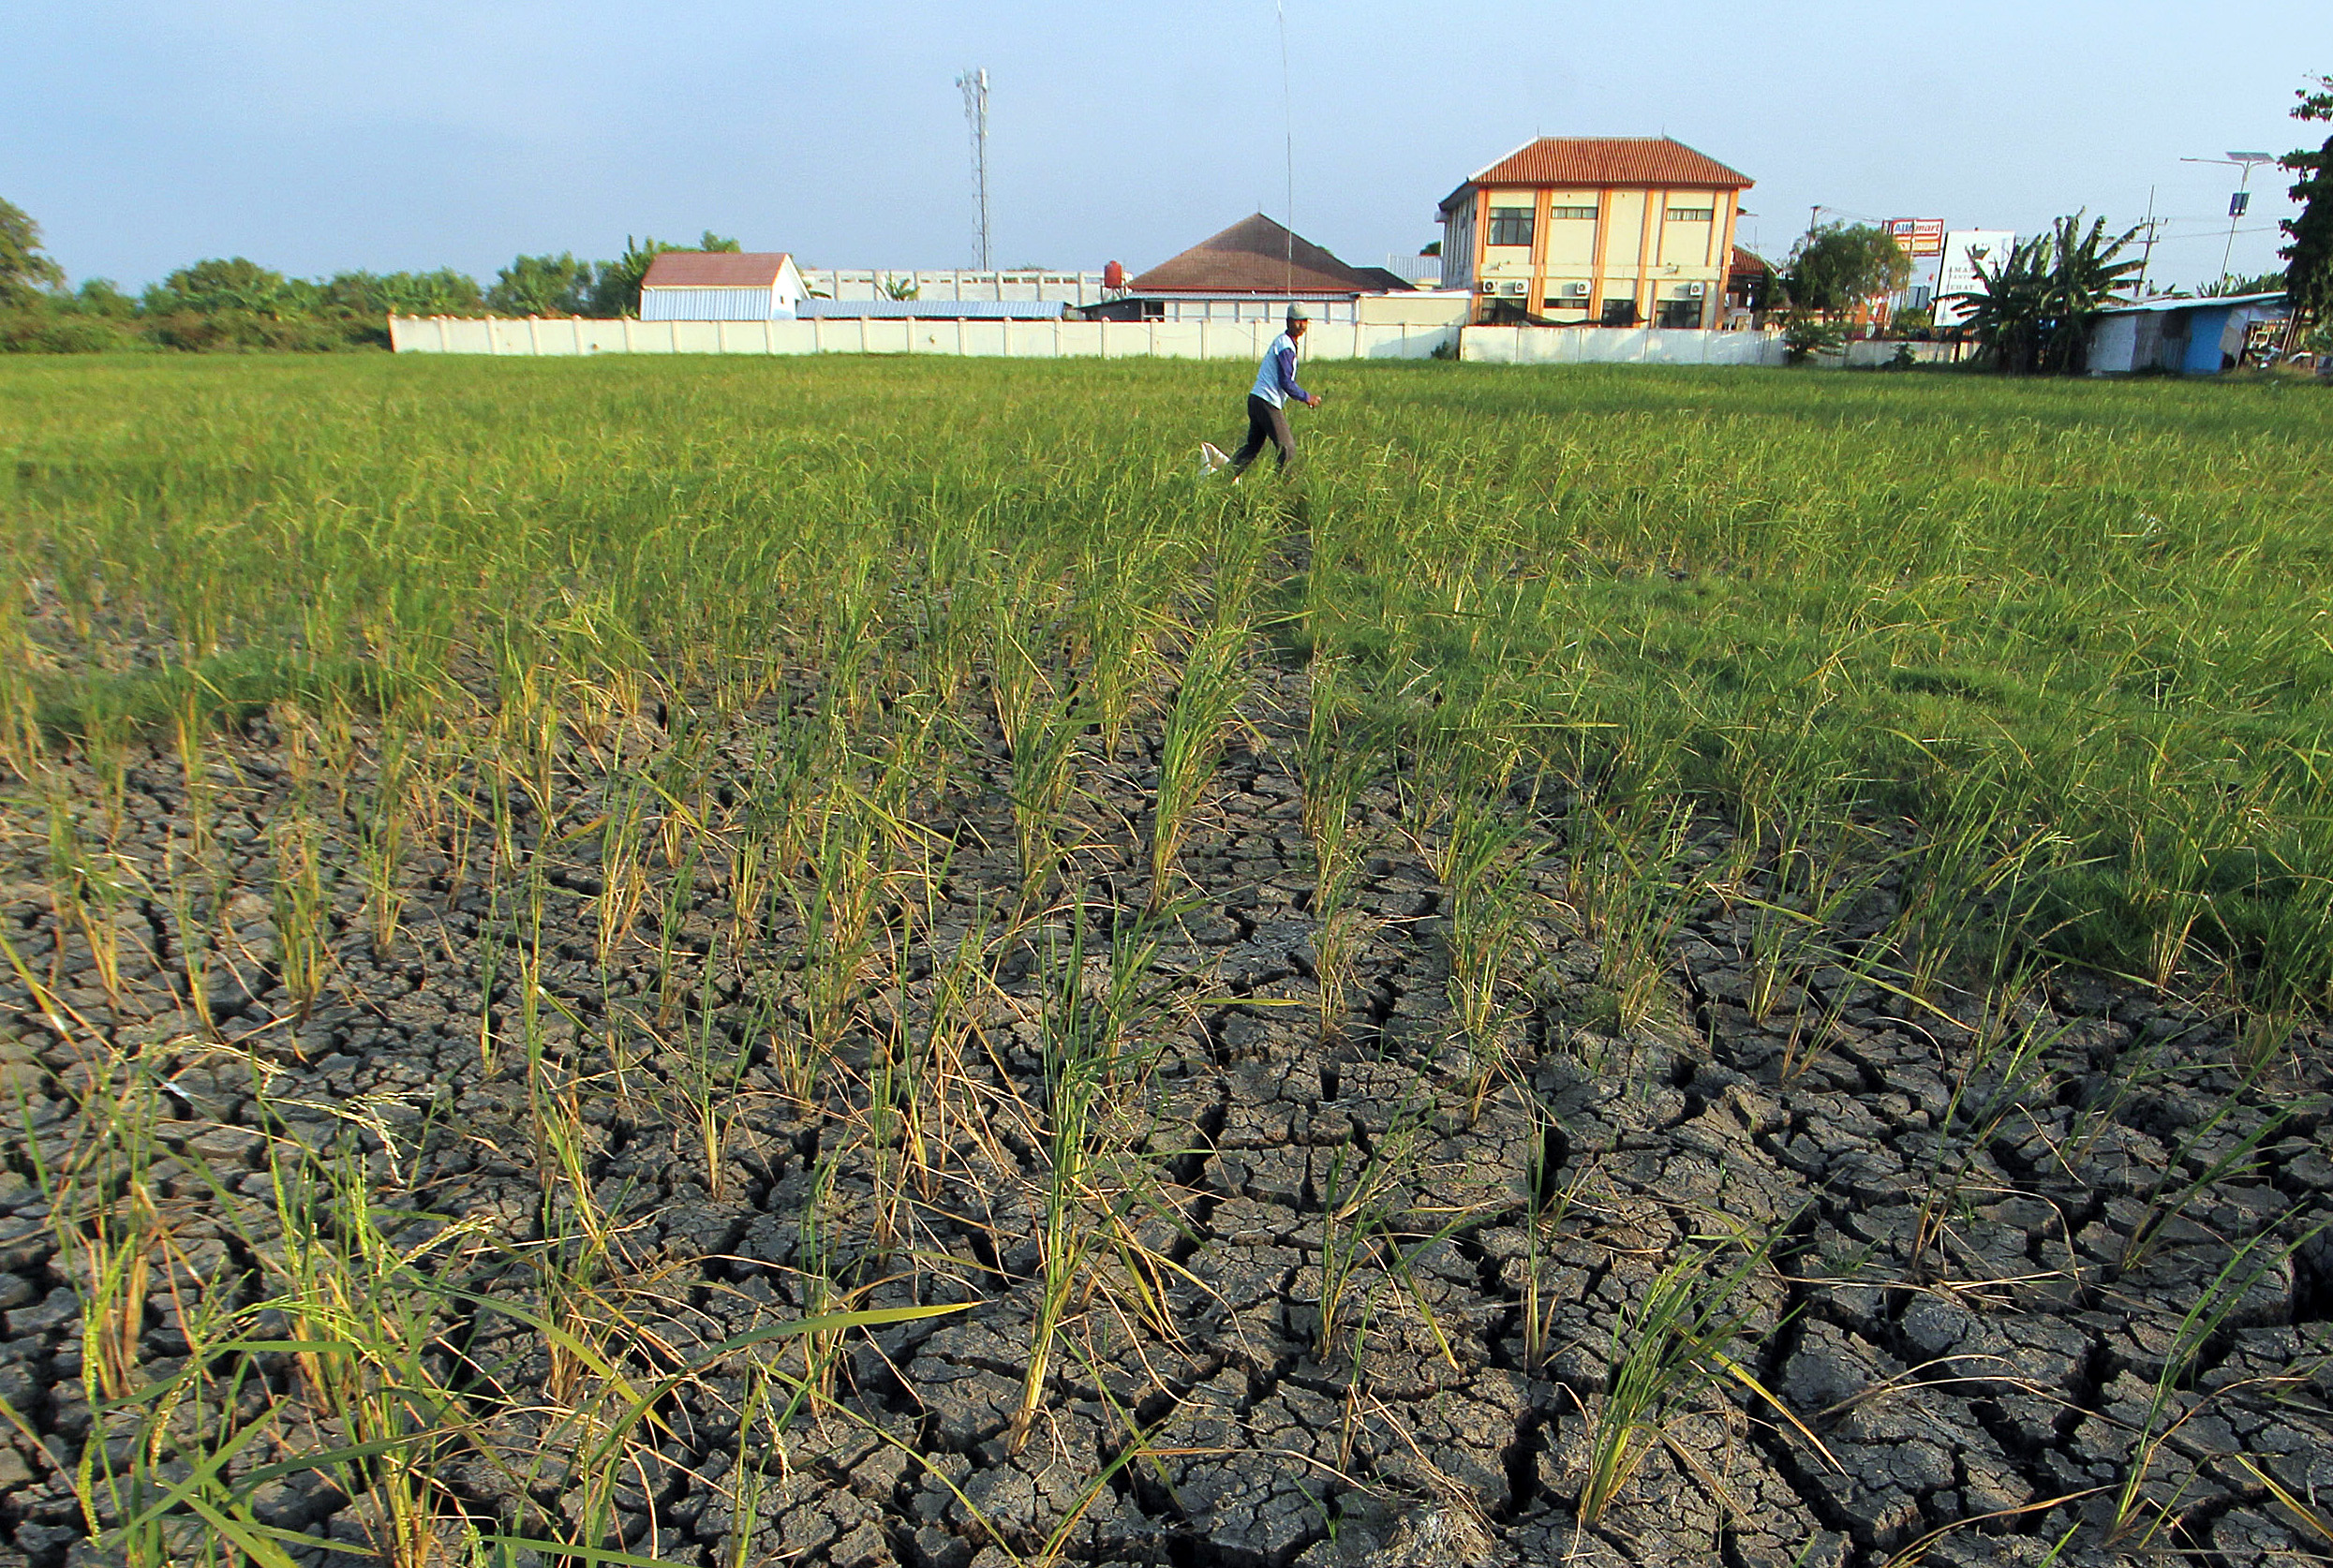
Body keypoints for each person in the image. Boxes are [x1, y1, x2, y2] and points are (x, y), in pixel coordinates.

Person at [1211, 303, 1322, 477]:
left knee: (1252, 447)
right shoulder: (1285, 345)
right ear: (1288, 322)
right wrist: (1307, 397)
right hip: (1266, 401)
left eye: (1305, 321)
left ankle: (1223, 479)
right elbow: (1286, 382)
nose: (1302, 325)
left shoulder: (1284, 342)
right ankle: (1279, 485)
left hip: (1257, 399)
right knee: (1288, 449)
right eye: (1297, 321)